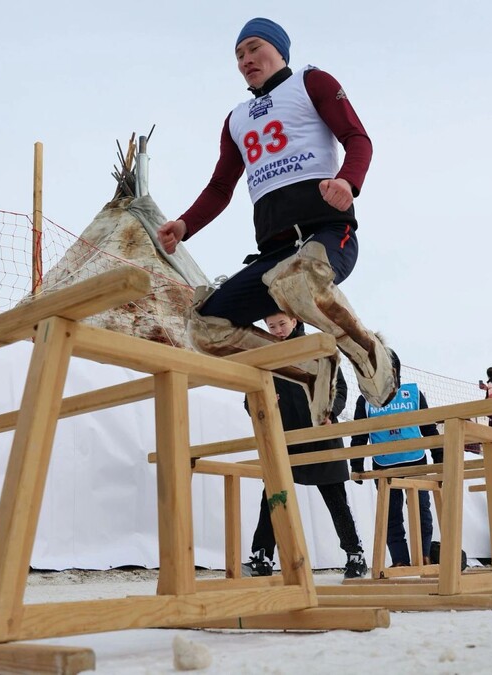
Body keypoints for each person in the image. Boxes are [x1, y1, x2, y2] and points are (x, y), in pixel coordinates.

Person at [156, 18, 396, 427]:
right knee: (204, 327)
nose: (246, 59)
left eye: (253, 48)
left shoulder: (311, 81)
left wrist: (347, 181)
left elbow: (358, 138)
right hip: (274, 255)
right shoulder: (236, 119)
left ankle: (372, 354)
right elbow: (220, 188)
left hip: (326, 233)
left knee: (299, 277)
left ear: (280, 50)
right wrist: (184, 225)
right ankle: (308, 369)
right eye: (238, 55)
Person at [242, 312, 367, 579]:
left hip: (321, 436)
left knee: (336, 499)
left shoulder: (318, 348)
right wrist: (263, 402)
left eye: (281, 324)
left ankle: (355, 554)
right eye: (271, 325)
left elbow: (339, 387)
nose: (276, 330)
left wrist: (330, 412)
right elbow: (249, 398)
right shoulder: (264, 356)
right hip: (284, 439)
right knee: (273, 498)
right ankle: (261, 556)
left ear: (294, 321)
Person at [349, 350, 440, 567]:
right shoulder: (365, 401)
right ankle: (400, 560)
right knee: (391, 516)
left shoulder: (414, 394)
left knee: (421, 512)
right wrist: (356, 463)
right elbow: (359, 434)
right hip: (384, 465)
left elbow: (429, 428)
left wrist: (440, 460)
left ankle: (423, 555)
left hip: (415, 461)